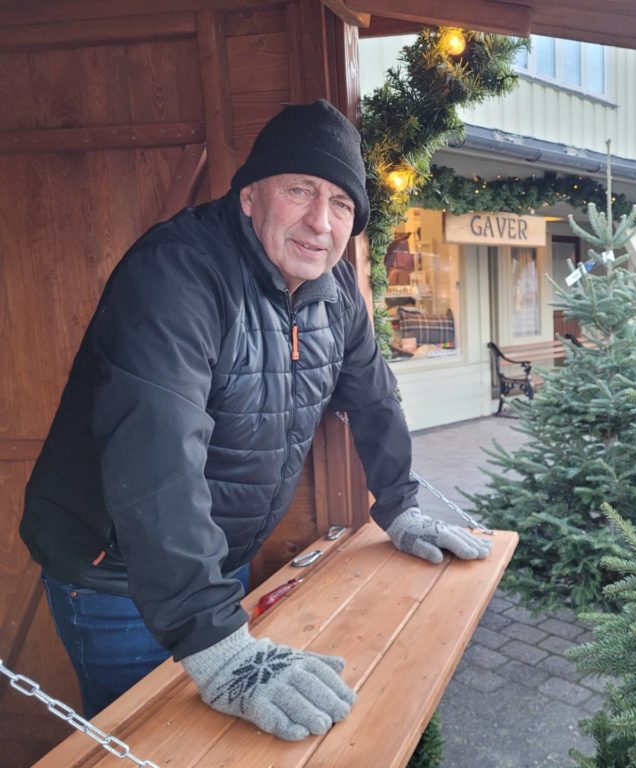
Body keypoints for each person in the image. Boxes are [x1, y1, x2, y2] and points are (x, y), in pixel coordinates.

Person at [19, 99, 491, 741]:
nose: (320, 222)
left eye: (342, 205)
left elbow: (373, 398)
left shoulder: (338, 289)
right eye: (300, 190)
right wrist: (215, 641)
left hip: (214, 565)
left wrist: (401, 504)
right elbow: (159, 450)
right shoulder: (178, 272)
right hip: (115, 577)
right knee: (150, 748)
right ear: (249, 197)